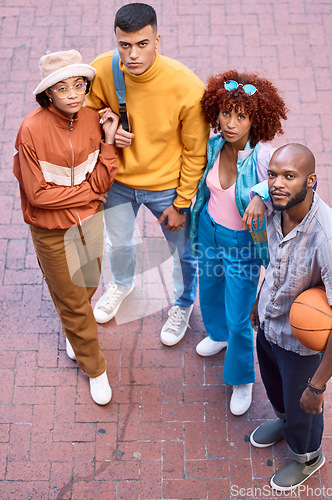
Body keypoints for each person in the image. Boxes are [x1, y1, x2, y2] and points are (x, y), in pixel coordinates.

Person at [85, 3, 209, 345]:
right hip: (118, 183)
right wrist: (104, 128)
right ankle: (122, 284)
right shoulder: (102, 70)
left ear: (158, 39)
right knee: (119, 243)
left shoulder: (186, 86)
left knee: (184, 252)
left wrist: (182, 203)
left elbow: (196, 151)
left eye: (142, 44)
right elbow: (81, 120)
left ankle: (183, 304)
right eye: (124, 45)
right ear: (116, 41)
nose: (132, 54)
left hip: (166, 188)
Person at [249, 144, 332, 492]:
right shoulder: (273, 209)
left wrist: (318, 385)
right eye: (272, 175)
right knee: (276, 392)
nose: (277, 184)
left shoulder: (328, 237)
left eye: (289, 176)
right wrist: (258, 302)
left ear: (310, 181)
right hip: (269, 326)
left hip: (301, 345)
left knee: (304, 412)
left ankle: (308, 457)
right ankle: (284, 422)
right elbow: (274, 262)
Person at [13, 50, 120, 405]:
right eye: (62, 88)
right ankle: (96, 368)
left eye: (79, 85)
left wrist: (107, 140)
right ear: (49, 95)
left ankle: (76, 334)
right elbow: (39, 195)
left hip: (89, 222)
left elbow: (105, 178)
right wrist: (89, 192)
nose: (73, 94)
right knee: (74, 302)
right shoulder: (31, 129)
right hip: (51, 231)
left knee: (86, 288)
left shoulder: (93, 120)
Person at [189, 71, 288, 415]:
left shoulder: (263, 157)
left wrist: (262, 193)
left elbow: (297, 186)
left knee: (240, 317)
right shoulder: (215, 144)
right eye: (225, 113)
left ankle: (242, 377)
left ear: (256, 119)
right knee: (210, 292)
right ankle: (217, 336)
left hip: (241, 245)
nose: (230, 123)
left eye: (241, 116)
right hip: (209, 231)